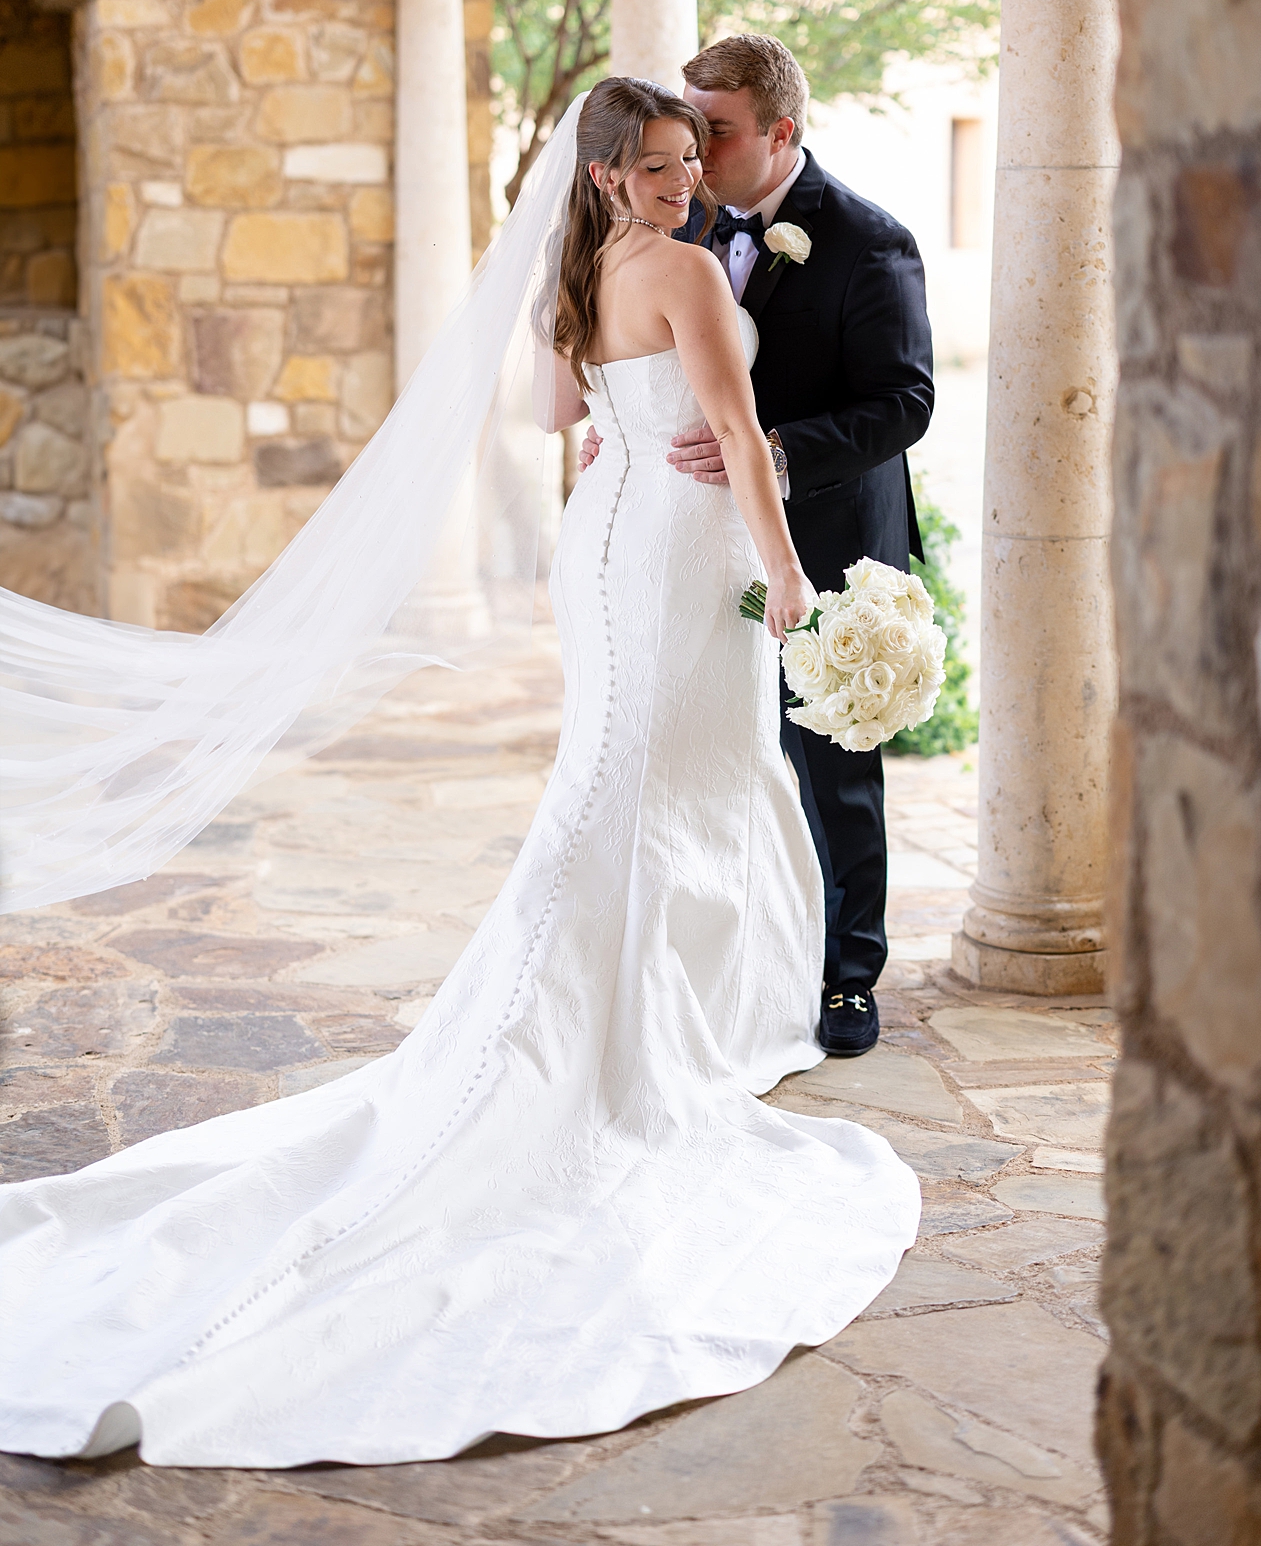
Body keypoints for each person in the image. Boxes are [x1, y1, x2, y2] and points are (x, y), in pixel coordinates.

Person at [0, 77, 919, 1471]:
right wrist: (788, 576)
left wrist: (635, 414)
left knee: (632, 790)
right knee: (649, 795)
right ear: (612, 175)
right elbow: (734, 438)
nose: (686, 189)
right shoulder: (668, 264)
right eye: (663, 169)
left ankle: (626, 1027)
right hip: (678, 554)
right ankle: (608, 1052)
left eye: (691, 167)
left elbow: (569, 407)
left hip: (608, 542)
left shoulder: (593, 266)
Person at [580, 38, 934, 1058]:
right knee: (710, 755)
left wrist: (776, 452)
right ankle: (737, 966)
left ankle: (847, 977)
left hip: (820, 528)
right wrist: (627, 420)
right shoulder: (667, 214)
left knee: (829, 766)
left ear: (781, 132)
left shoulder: (868, 240)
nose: (693, 148)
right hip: (689, 537)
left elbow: (903, 399)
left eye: (717, 130)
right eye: (685, 127)